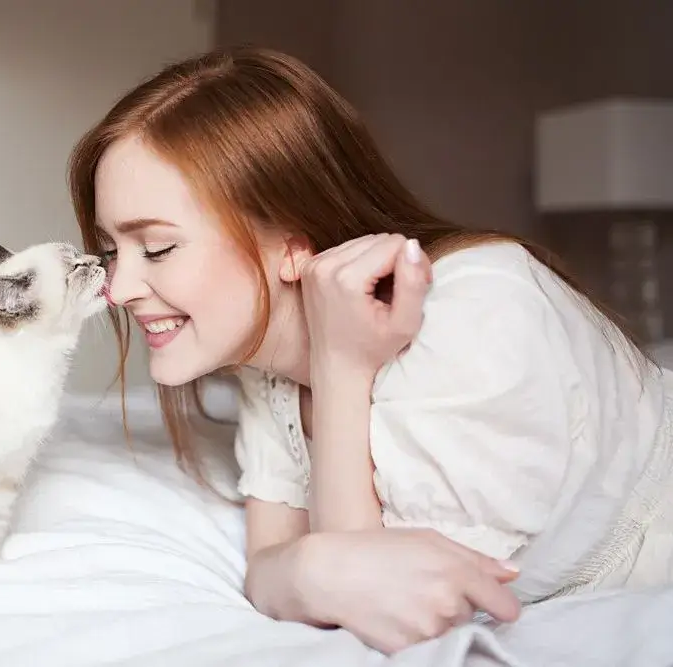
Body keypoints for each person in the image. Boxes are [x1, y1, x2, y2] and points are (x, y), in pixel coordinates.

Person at [65, 46, 673, 654]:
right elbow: (287, 567)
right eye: (114, 251)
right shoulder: (266, 362)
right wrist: (304, 571)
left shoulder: (477, 318)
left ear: (292, 245)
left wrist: (342, 367)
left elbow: (386, 604)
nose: (116, 290)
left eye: (159, 248)